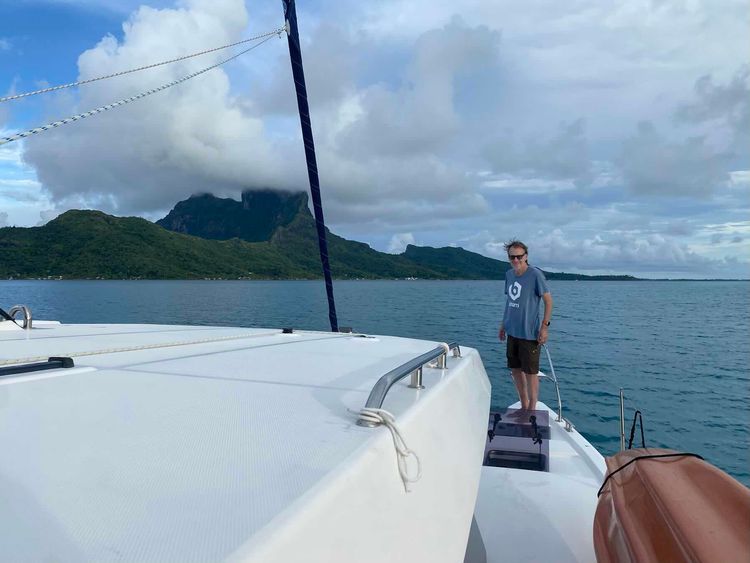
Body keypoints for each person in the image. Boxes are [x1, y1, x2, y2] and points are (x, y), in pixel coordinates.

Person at [498, 240, 553, 415]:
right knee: (515, 370)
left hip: (530, 333)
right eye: (512, 257)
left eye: (519, 256)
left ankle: (532, 408)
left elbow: (548, 301)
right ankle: (523, 404)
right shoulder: (509, 275)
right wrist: (503, 325)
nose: (515, 260)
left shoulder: (535, 275)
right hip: (512, 331)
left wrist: (544, 327)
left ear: (526, 256)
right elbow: (510, 302)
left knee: (530, 372)